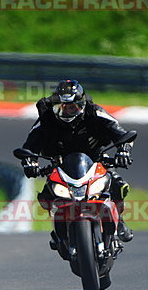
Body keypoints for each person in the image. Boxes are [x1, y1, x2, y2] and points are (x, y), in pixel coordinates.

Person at [17, 79, 135, 242]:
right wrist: (30, 162)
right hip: (60, 166)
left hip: (96, 161)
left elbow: (122, 134)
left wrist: (124, 150)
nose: (68, 111)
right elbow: (29, 147)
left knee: (118, 185)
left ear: (82, 105)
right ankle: (60, 228)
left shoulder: (94, 113)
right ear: (55, 106)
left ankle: (119, 221)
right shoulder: (46, 120)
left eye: (73, 107)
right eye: (63, 107)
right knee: (46, 196)